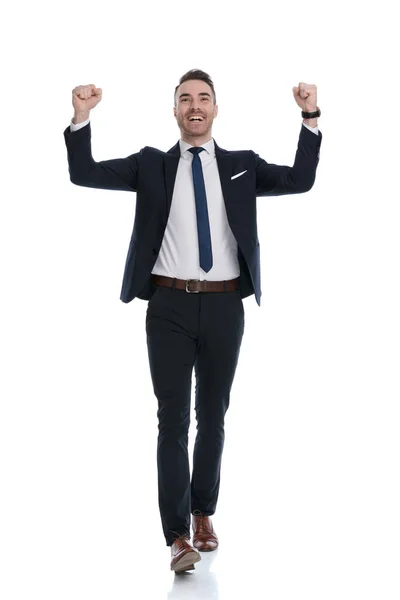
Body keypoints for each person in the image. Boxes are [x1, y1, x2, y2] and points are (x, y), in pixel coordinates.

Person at [63, 69, 322, 573]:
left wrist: (309, 116)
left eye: (203, 98)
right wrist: (81, 117)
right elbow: (83, 173)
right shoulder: (151, 165)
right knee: (172, 421)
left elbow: (300, 180)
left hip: (226, 306)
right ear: (175, 110)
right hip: (168, 306)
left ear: (216, 109)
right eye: (186, 99)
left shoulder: (242, 167)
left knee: (214, 418)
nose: (195, 106)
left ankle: (204, 514)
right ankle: (177, 534)